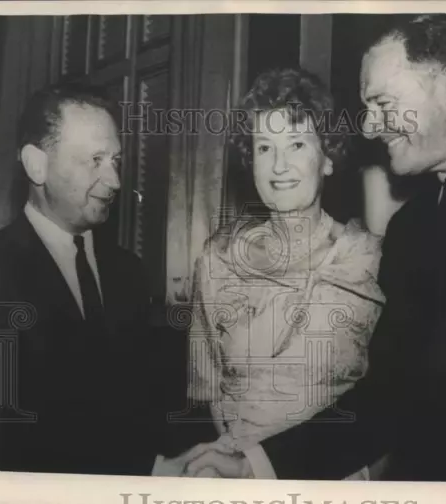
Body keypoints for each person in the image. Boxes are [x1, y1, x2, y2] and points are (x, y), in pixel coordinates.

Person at [177, 14, 446, 481]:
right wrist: (256, 464)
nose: (371, 126)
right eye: (263, 147)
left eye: (381, 102)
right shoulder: (413, 231)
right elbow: (393, 394)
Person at [154, 68, 386, 479]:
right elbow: (207, 388)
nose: (279, 165)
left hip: (338, 475)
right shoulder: (218, 259)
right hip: (235, 471)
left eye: (296, 144)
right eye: (264, 148)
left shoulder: (367, 257)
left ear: (328, 158)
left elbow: (395, 398)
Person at [0, 84, 163, 475]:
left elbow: (140, 411)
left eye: (115, 160)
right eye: (94, 160)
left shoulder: (130, 272)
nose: (114, 180)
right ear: (36, 165)